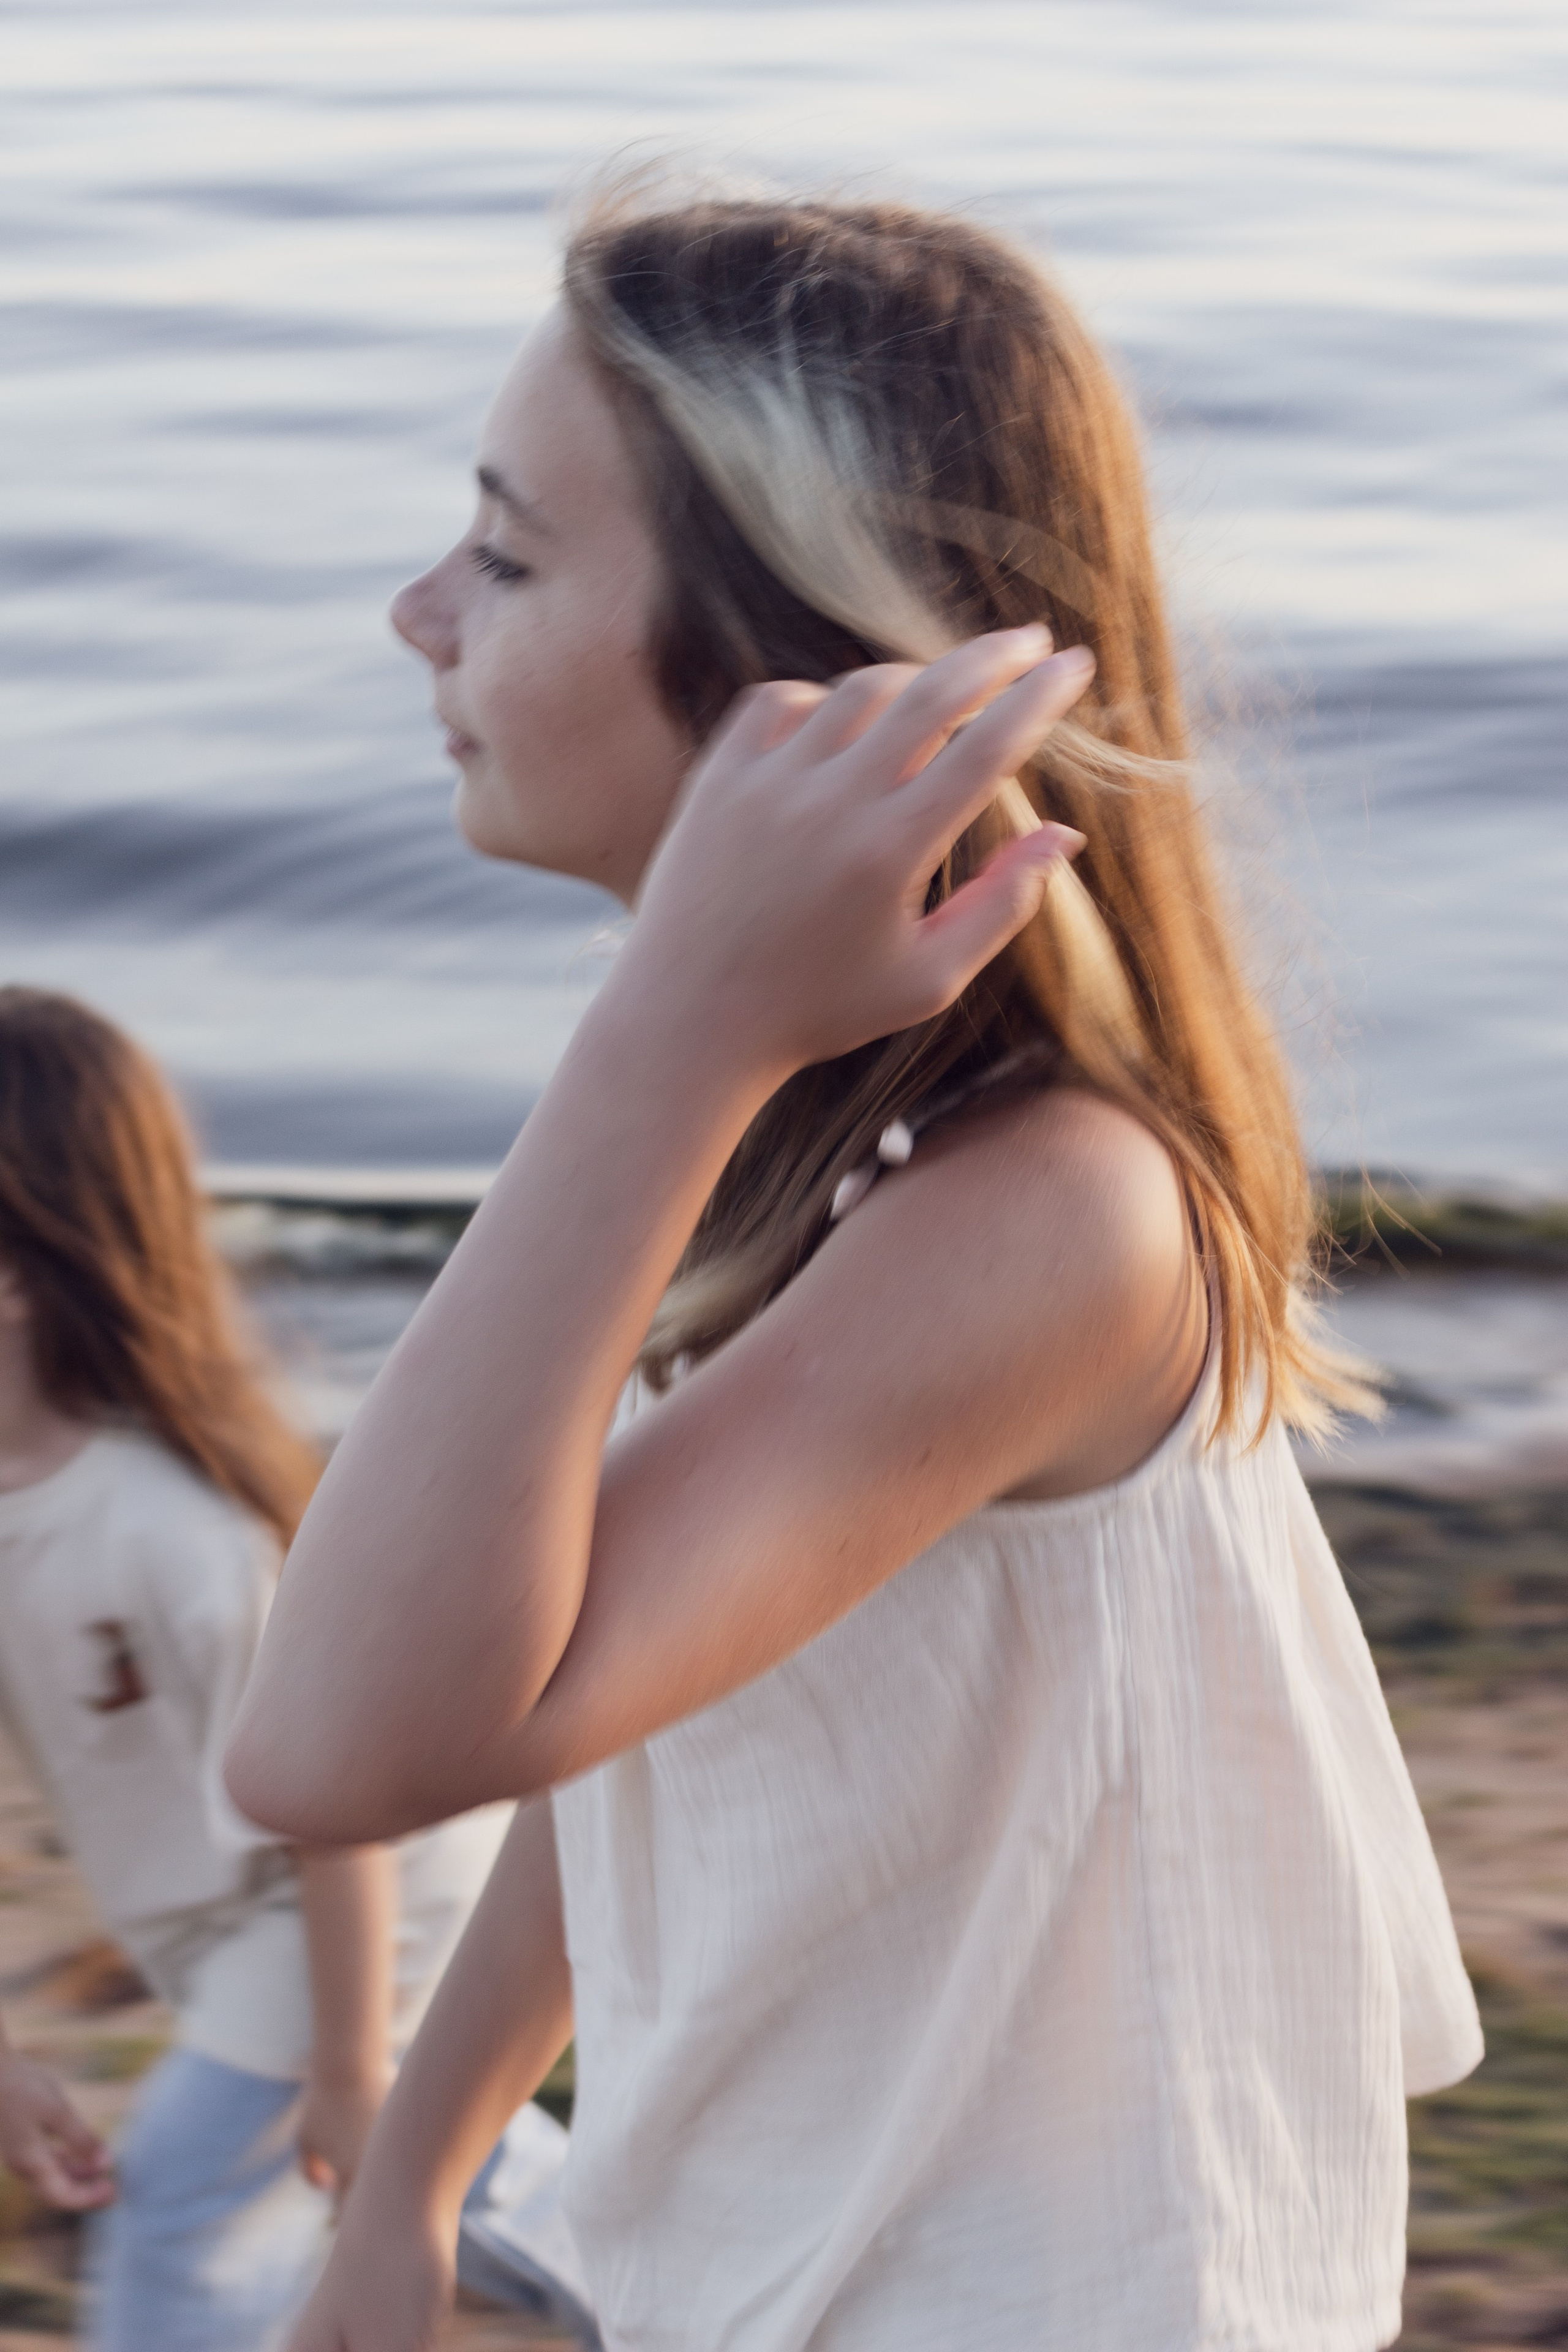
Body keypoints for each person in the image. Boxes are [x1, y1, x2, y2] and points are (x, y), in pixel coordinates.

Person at [227, 184, 1483, 2352]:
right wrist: (418, 2172)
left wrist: (664, 1030)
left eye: (507, 557)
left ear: (783, 671)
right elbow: (620, 1690)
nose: (418, 612)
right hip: (788, 2260)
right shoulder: (783, 1115)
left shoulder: (1048, 1215)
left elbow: (335, 1743)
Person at [0, 986, 513, 2351]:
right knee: (448, 2181)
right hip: (226, 1917)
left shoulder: (173, 1532)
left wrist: (343, 2064)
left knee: (183, 2207)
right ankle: (647, 2258)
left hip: (348, 1899)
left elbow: (332, 1816)